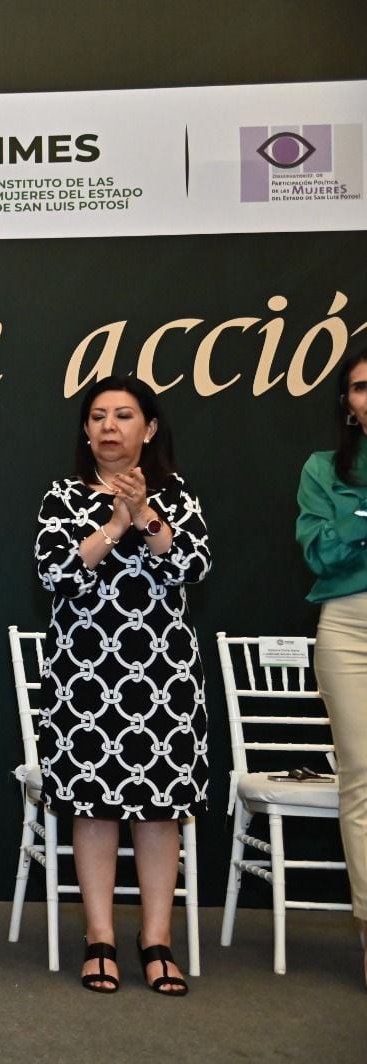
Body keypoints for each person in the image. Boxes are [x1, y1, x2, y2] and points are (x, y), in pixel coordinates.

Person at [34, 375, 211, 996]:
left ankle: (156, 938)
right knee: (94, 806)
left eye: (124, 415)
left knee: (162, 810)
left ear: (149, 429)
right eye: (99, 416)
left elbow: (194, 563)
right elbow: (55, 572)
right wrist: (114, 522)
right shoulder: (61, 496)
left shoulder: (178, 494)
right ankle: (101, 937)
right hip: (85, 675)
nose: (110, 426)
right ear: (86, 430)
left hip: (164, 676)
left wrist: (146, 515)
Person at [295, 345, 367, 989]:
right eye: (362, 387)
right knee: (362, 779)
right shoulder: (323, 467)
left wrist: (356, 519)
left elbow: (344, 532)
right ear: (347, 402)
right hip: (349, 624)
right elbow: (321, 551)